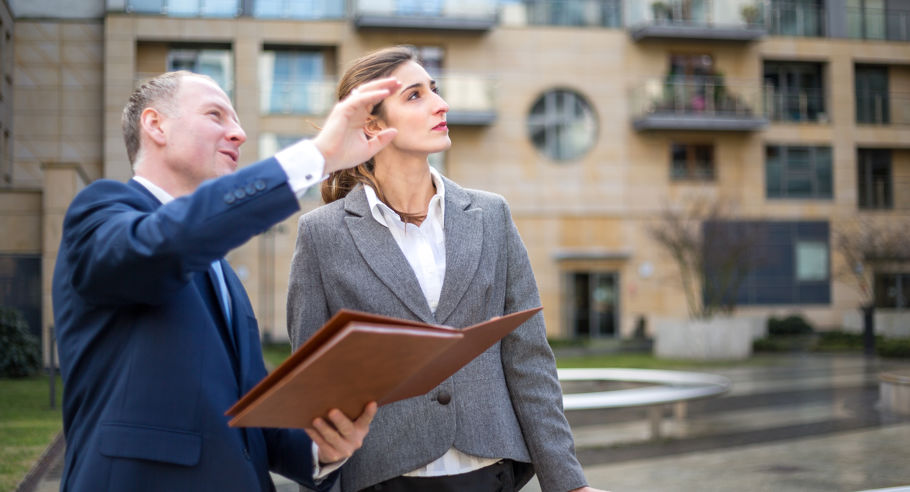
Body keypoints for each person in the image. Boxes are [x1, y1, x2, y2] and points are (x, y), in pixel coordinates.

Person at [51, 70, 402, 491]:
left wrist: (321, 450)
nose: (238, 134)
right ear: (155, 124)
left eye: (237, 121)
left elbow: (247, 412)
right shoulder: (100, 211)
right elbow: (162, 246)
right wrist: (317, 157)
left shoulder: (222, 274)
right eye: (216, 115)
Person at [287, 47, 609, 492]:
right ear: (373, 123)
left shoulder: (491, 215)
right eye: (415, 95)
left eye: (434, 91)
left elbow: (529, 359)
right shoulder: (322, 234)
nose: (441, 105)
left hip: (491, 473)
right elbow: (315, 387)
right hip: (383, 478)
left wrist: (568, 482)